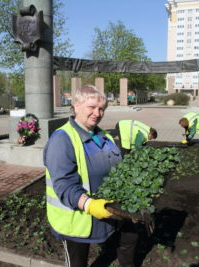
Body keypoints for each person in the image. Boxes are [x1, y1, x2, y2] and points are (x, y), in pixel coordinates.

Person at [44, 85, 138, 267]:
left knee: (129, 238)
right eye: (92, 107)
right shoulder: (62, 140)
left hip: (105, 210)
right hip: (76, 219)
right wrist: (89, 204)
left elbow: (117, 170)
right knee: (77, 263)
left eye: (102, 108)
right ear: (76, 105)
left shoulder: (103, 136)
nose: (98, 113)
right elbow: (64, 185)